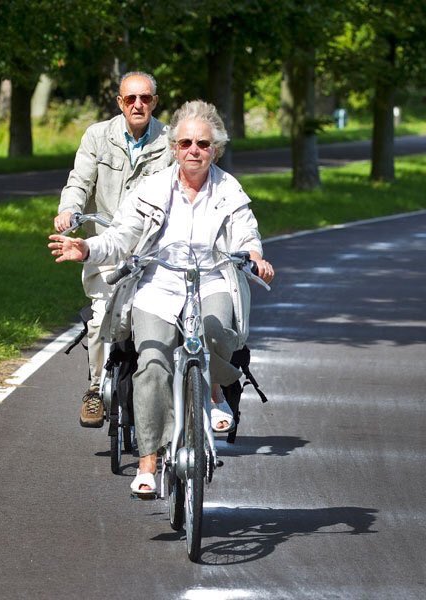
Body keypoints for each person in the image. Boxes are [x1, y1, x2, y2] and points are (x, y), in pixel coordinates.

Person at [48, 100, 275, 495]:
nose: (193, 150)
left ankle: (217, 392)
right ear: (173, 148)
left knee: (216, 330)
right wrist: (87, 249)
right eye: (185, 143)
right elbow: (121, 236)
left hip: (211, 279)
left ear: (215, 149)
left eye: (203, 144)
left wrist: (255, 257)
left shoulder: (228, 188)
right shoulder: (152, 189)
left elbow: (245, 231)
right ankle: (148, 463)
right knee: (151, 364)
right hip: (159, 282)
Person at [54, 71, 173, 429]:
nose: (138, 105)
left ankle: (170, 396)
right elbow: (79, 181)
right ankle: (95, 389)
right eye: (130, 98)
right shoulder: (97, 136)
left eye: (145, 98)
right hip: (107, 248)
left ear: (154, 102)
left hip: (151, 251)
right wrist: (69, 211)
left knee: (166, 319)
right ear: (120, 102)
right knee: (101, 318)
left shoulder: (171, 141)